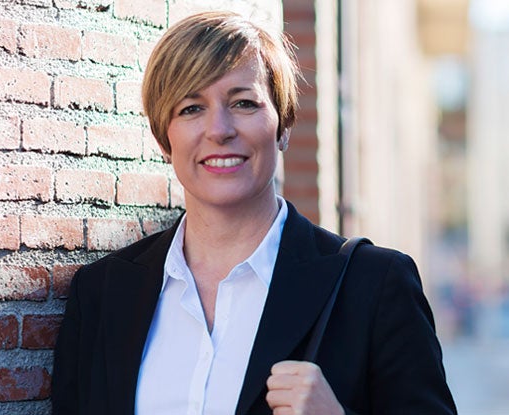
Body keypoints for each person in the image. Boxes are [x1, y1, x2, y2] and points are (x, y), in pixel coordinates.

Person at [51, 11, 457, 415]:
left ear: (283, 126)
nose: (219, 130)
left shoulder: (374, 285)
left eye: (243, 103)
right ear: (164, 138)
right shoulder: (103, 294)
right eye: (191, 108)